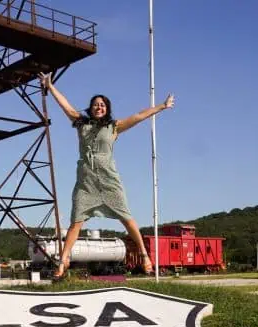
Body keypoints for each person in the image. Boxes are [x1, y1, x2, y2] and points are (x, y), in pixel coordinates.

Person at [39, 72, 174, 279]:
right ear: (91, 107)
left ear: (107, 108)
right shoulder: (80, 123)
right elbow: (65, 106)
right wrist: (50, 86)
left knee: (126, 218)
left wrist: (161, 107)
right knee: (76, 222)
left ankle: (145, 256)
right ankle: (63, 261)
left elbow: (138, 116)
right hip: (86, 182)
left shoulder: (114, 127)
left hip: (109, 180)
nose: (99, 107)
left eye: (102, 104)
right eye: (96, 104)